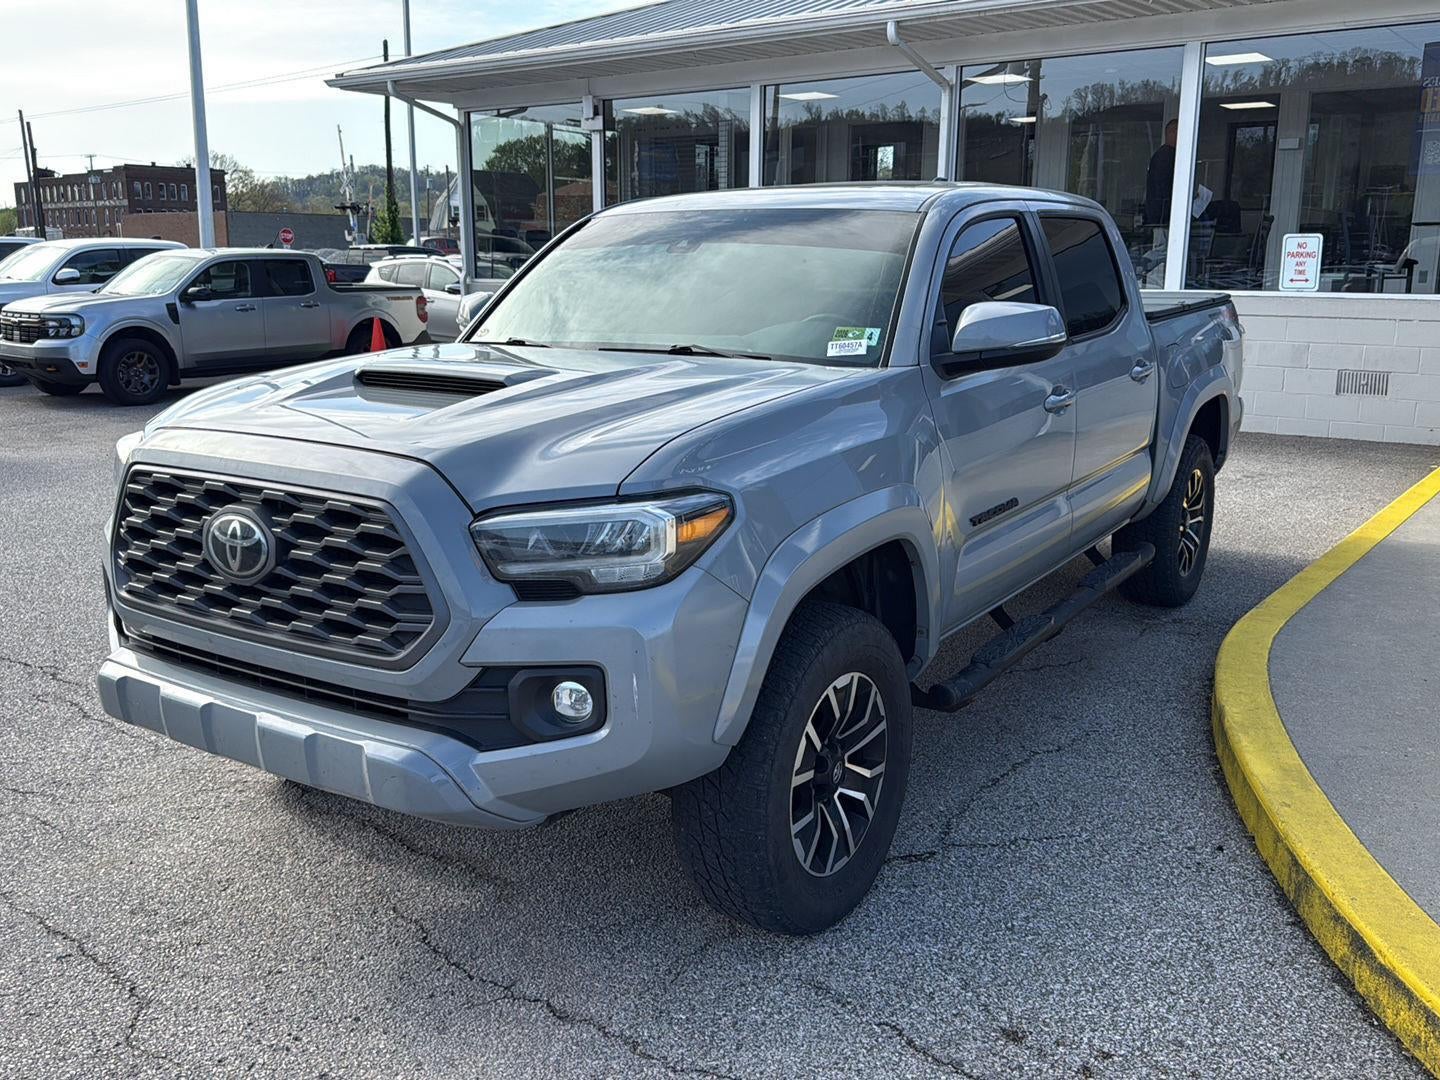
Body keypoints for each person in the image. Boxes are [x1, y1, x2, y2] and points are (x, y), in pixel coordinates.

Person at [1145, 119, 1178, 226]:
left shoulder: (1162, 155)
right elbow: (1163, 187)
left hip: (1161, 216)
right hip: (1163, 218)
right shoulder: (1166, 157)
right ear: (1172, 133)